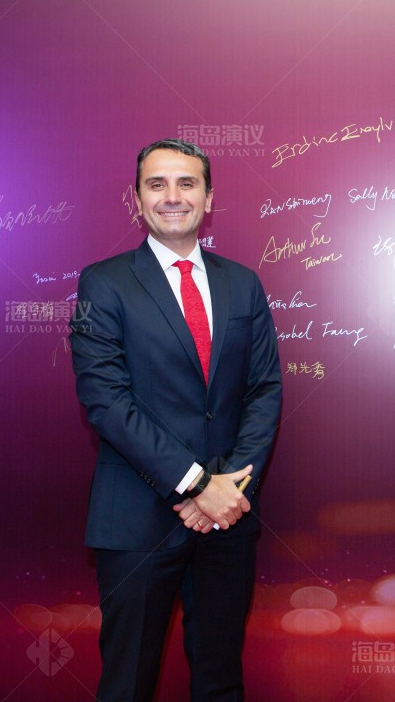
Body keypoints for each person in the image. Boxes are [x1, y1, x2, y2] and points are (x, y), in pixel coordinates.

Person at [70, 138, 282, 702]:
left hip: (228, 519)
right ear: (136, 198)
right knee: (128, 684)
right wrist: (195, 485)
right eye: (156, 184)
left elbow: (263, 390)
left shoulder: (243, 283)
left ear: (208, 198)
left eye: (187, 183)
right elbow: (106, 401)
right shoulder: (103, 283)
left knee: (220, 682)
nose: (172, 196)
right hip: (136, 520)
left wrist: (227, 488)